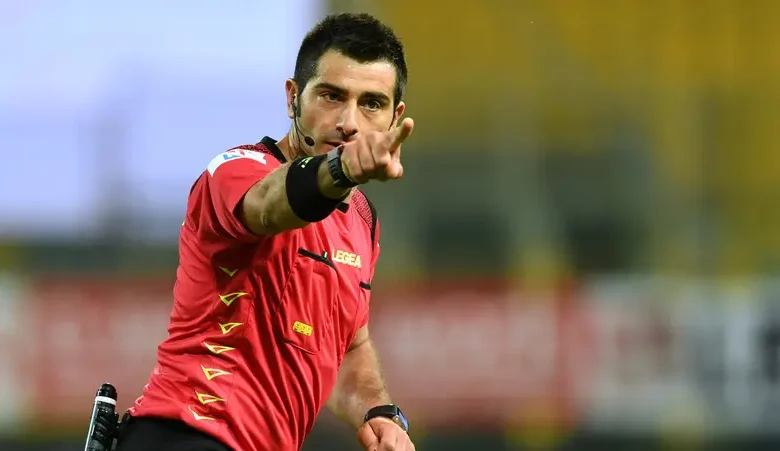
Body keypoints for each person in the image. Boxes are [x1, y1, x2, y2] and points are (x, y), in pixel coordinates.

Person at [113, 12, 416, 451]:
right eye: (331, 96)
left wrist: (378, 412)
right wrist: (341, 167)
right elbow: (271, 205)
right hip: (187, 434)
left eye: (371, 103)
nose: (349, 122)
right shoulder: (236, 171)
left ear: (394, 117)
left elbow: (349, 348)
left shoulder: (362, 221)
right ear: (293, 98)